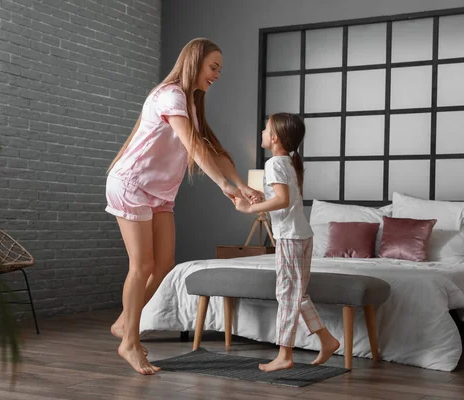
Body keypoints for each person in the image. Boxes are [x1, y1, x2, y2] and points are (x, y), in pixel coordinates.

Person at [105, 38, 261, 375]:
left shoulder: (191, 101)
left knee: (163, 265)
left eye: (219, 69)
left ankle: (124, 323)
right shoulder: (171, 94)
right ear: (196, 61)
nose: (218, 74)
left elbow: (212, 148)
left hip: (159, 192)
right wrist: (222, 186)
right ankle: (129, 342)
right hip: (132, 184)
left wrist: (242, 185)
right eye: (214, 67)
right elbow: (193, 146)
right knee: (142, 265)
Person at [234, 113, 340, 372]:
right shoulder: (289, 162)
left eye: (265, 128)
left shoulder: (273, 164)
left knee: (286, 294)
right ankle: (327, 340)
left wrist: (249, 208)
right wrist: (262, 198)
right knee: (297, 294)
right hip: (302, 235)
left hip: (290, 237)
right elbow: (285, 199)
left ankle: (284, 355)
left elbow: (281, 200)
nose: (261, 131)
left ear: (275, 138)